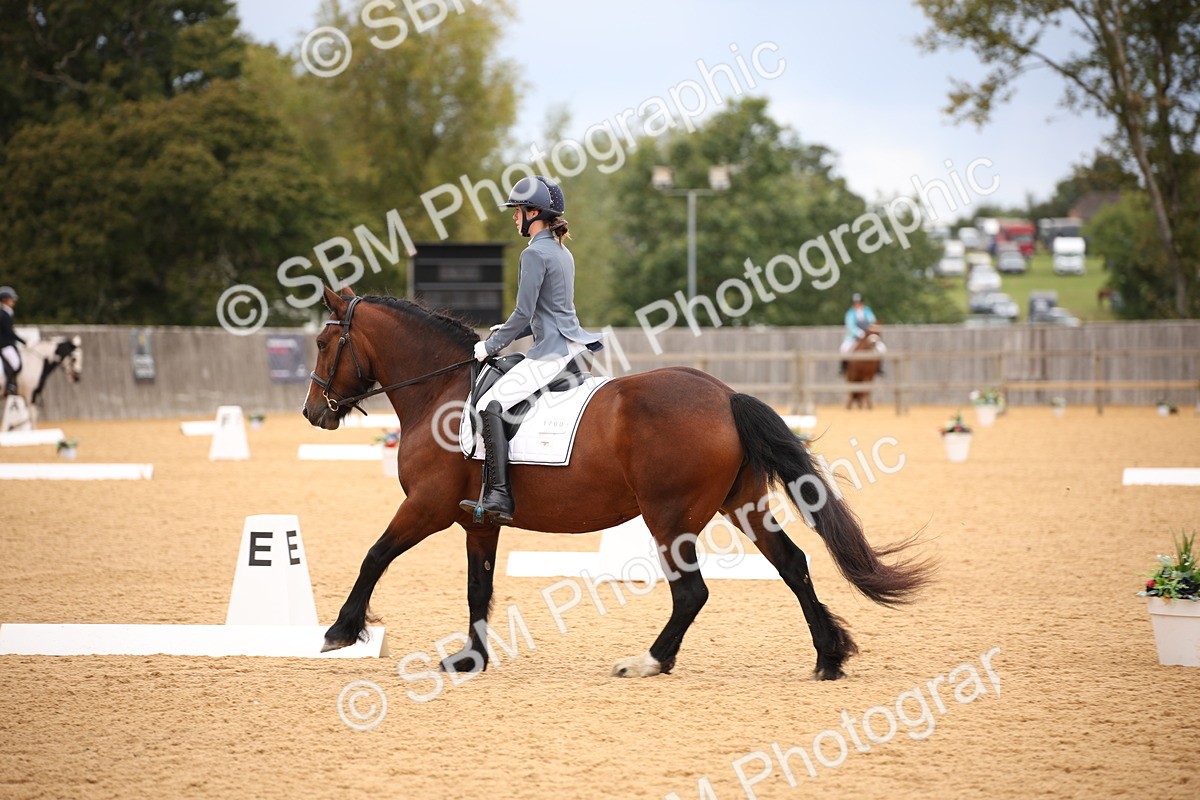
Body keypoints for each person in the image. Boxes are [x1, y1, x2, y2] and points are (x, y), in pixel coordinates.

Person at [459, 176, 603, 524]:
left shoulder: (534, 253)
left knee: (489, 404)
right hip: (569, 346)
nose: (514, 217)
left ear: (534, 212)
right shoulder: (561, 251)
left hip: (550, 353)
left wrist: (489, 345)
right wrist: (508, 331)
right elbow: (546, 310)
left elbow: (524, 311)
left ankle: (499, 495)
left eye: (518, 211)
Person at [839, 292, 886, 376]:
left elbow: (872, 322)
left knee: (882, 348)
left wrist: (868, 333)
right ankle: (844, 368)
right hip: (853, 337)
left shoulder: (868, 311)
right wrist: (860, 333)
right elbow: (850, 326)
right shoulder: (850, 313)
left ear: (862, 303)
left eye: (859, 302)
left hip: (868, 336)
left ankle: (879, 367)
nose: (857, 304)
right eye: (855, 303)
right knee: (843, 348)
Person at [0, 286, 26, 397]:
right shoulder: (3, 314)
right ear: (5, 300)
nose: (14, 301)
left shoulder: (8, 313)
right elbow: (9, 332)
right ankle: (10, 385)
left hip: (7, 343)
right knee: (15, 363)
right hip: (4, 344)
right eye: (11, 299)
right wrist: (22, 340)